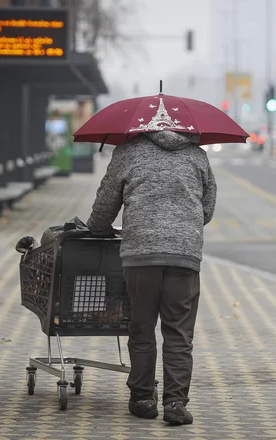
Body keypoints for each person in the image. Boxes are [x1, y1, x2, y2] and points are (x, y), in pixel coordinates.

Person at [87, 129, 217, 425]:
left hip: (140, 256)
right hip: (184, 255)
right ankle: (175, 403)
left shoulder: (128, 151)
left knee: (142, 327)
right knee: (179, 332)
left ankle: (143, 398)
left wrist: (97, 227)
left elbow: (105, 205)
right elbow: (206, 209)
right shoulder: (197, 156)